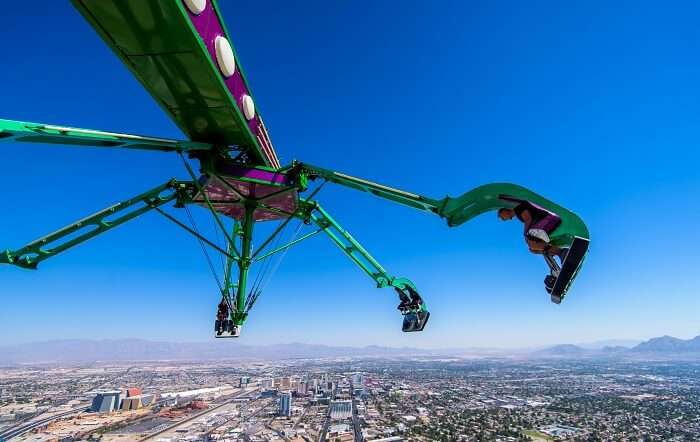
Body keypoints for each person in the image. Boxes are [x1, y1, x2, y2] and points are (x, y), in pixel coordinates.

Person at [497, 198, 567, 261]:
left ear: (504, 211)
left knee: (531, 243)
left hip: (549, 219)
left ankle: (562, 252)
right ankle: (557, 258)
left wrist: (525, 234)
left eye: (502, 217)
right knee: (533, 249)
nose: (503, 219)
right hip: (544, 223)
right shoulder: (518, 213)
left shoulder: (519, 208)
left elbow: (528, 219)